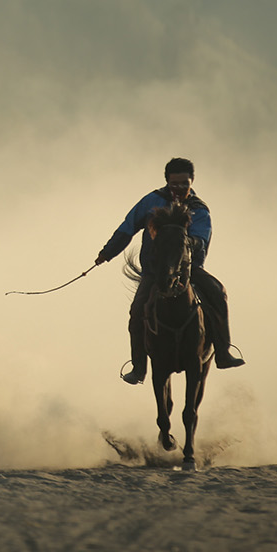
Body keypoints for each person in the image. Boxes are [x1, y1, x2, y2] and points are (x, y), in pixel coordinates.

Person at [95, 157, 245, 384]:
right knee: (137, 311)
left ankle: (222, 352)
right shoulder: (152, 202)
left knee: (218, 292)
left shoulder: (198, 209)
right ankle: (138, 368)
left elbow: (201, 239)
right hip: (154, 273)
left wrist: (187, 243)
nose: (179, 189)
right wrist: (107, 253)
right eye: (175, 184)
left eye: (184, 184)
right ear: (167, 182)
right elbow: (128, 228)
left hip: (189, 270)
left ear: (191, 182)